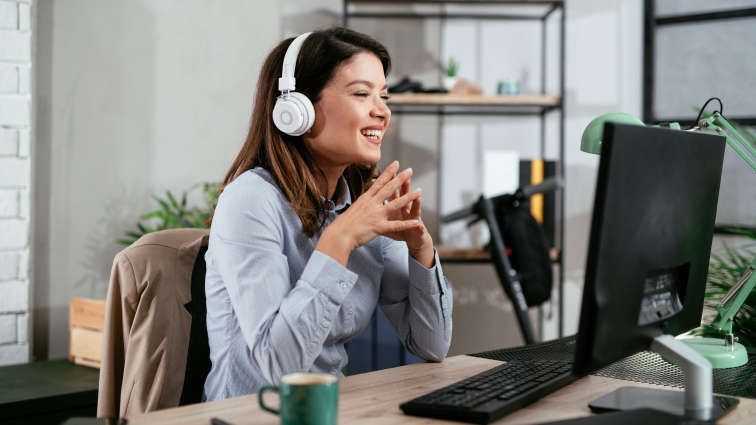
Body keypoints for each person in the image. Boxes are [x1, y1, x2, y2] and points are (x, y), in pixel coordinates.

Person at [203, 27, 453, 401]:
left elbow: (432, 345)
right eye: (361, 94)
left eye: (383, 96)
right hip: (250, 415)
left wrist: (422, 249)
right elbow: (278, 368)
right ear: (295, 110)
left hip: (329, 411)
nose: (382, 111)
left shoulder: (361, 206)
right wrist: (339, 241)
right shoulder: (250, 202)